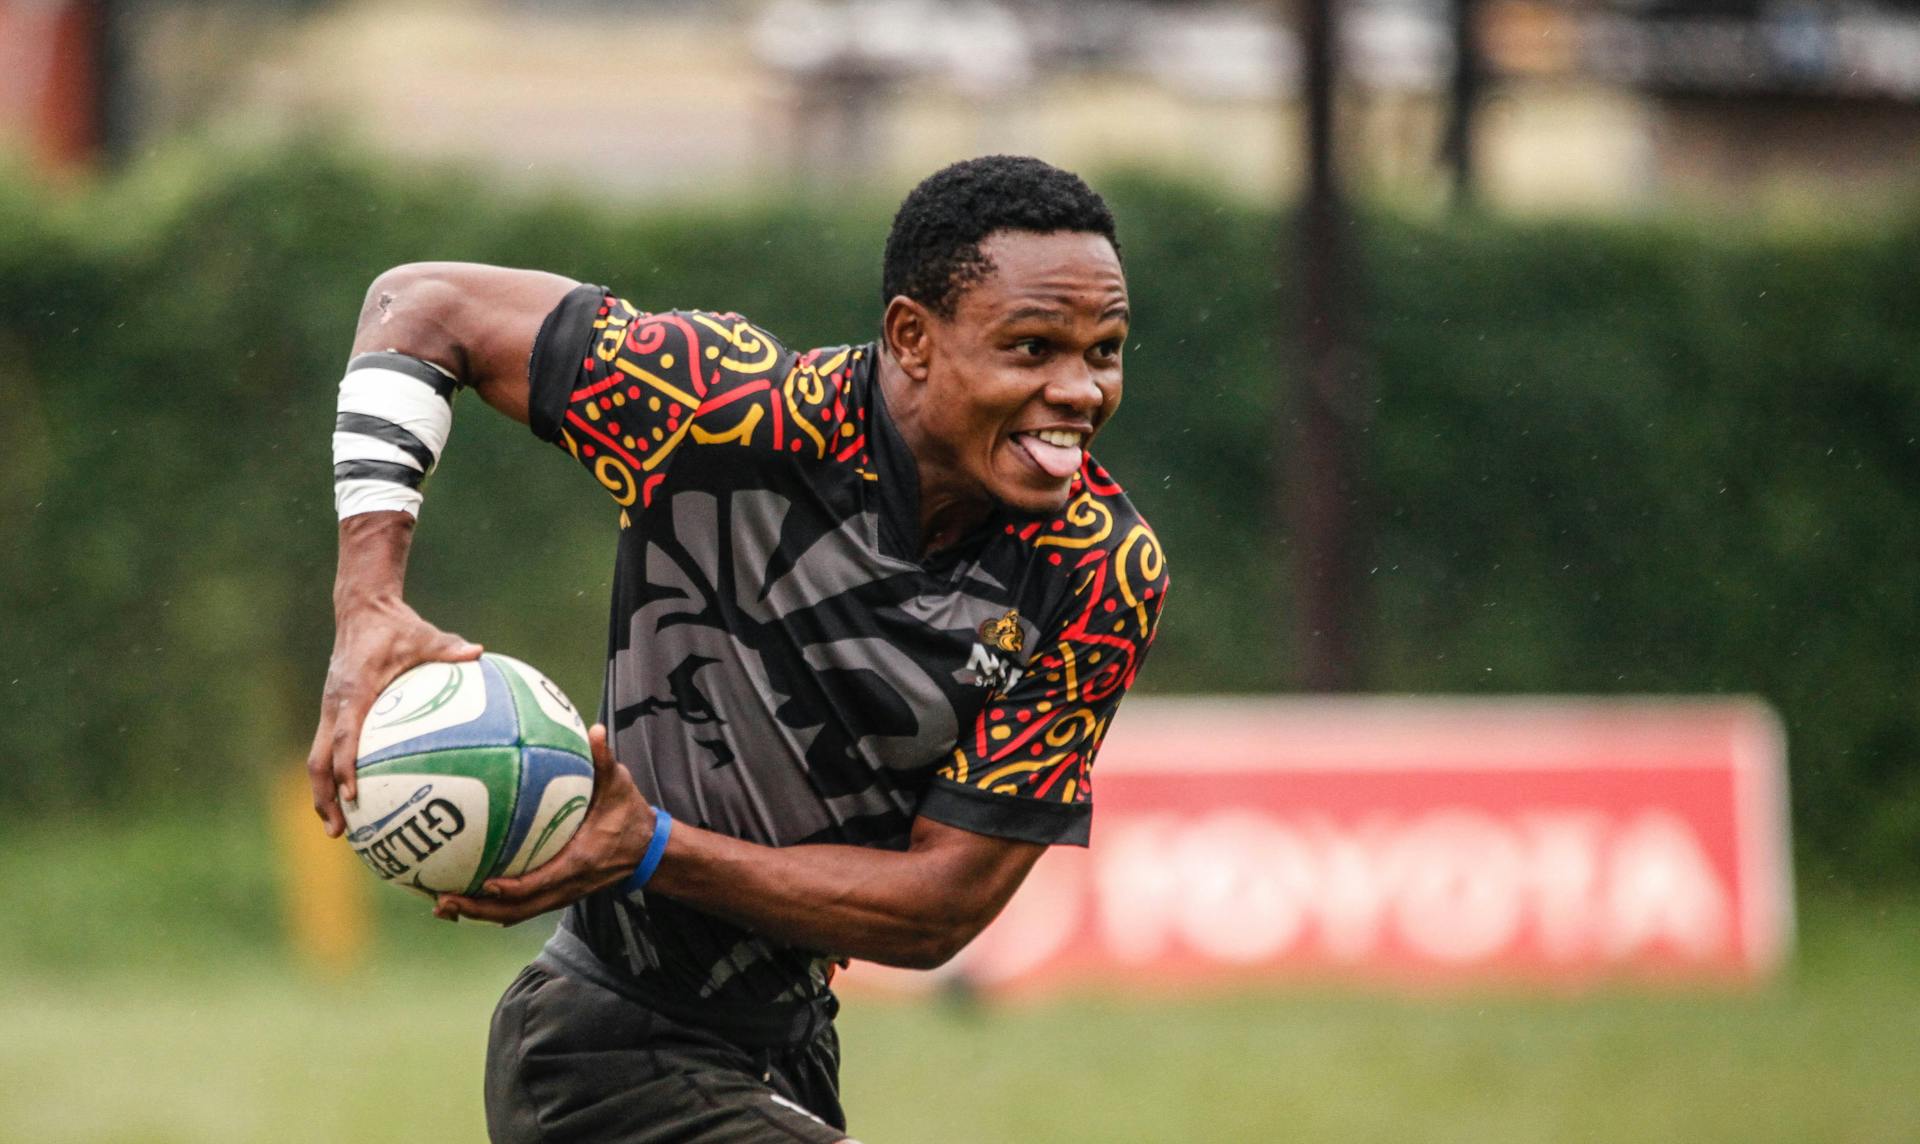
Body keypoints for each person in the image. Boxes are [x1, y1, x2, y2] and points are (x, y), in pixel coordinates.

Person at [308, 155, 1168, 1143]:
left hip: (790, 1045)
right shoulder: (727, 410)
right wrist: (368, 601)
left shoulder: (1097, 573)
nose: (1079, 390)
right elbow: (420, 305)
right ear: (912, 339)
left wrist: (654, 850)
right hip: (602, 1050)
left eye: (1104, 350)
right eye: (1031, 348)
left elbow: (937, 909)